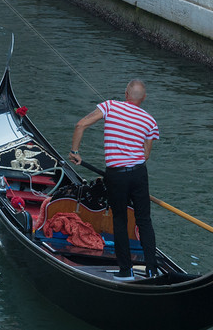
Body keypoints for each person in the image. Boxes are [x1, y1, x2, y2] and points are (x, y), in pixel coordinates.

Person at [68, 80, 160, 281]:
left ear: (125, 93)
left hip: (116, 175)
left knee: (120, 220)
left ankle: (126, 271)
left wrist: (75, 152)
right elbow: (145, 155)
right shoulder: (150, 121)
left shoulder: (110, 106)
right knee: (144, 221)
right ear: (143, 99)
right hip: (138, 174)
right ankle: (152, 270)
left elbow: (80, 124)